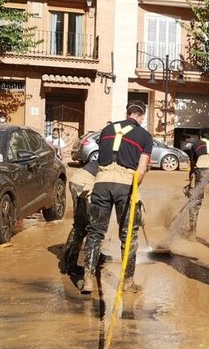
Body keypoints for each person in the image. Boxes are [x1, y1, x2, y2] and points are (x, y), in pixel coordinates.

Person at [82, 103, 153, 294]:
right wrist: (135, 189)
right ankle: (128, 282)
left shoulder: (107, 129)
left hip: (101, 183)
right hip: (125, 185)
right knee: (129, 235)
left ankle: (87, 279)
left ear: (127, 114)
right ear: (142, 117)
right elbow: (141, 169)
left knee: (96, 232)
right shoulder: (145, 136)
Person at [185, 129, 209, 246]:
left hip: (201, 169)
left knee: (195, 202)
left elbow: (193, 163)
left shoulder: (196, 144)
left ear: (200, 135)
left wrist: (191, 177)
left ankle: (192, 233)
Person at [60, 159, 98, 275]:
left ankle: (67, 262)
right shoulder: (124, 164)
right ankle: (70, 265)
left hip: (77, 180)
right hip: (83, 184)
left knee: (80, 224)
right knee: (85, 225)